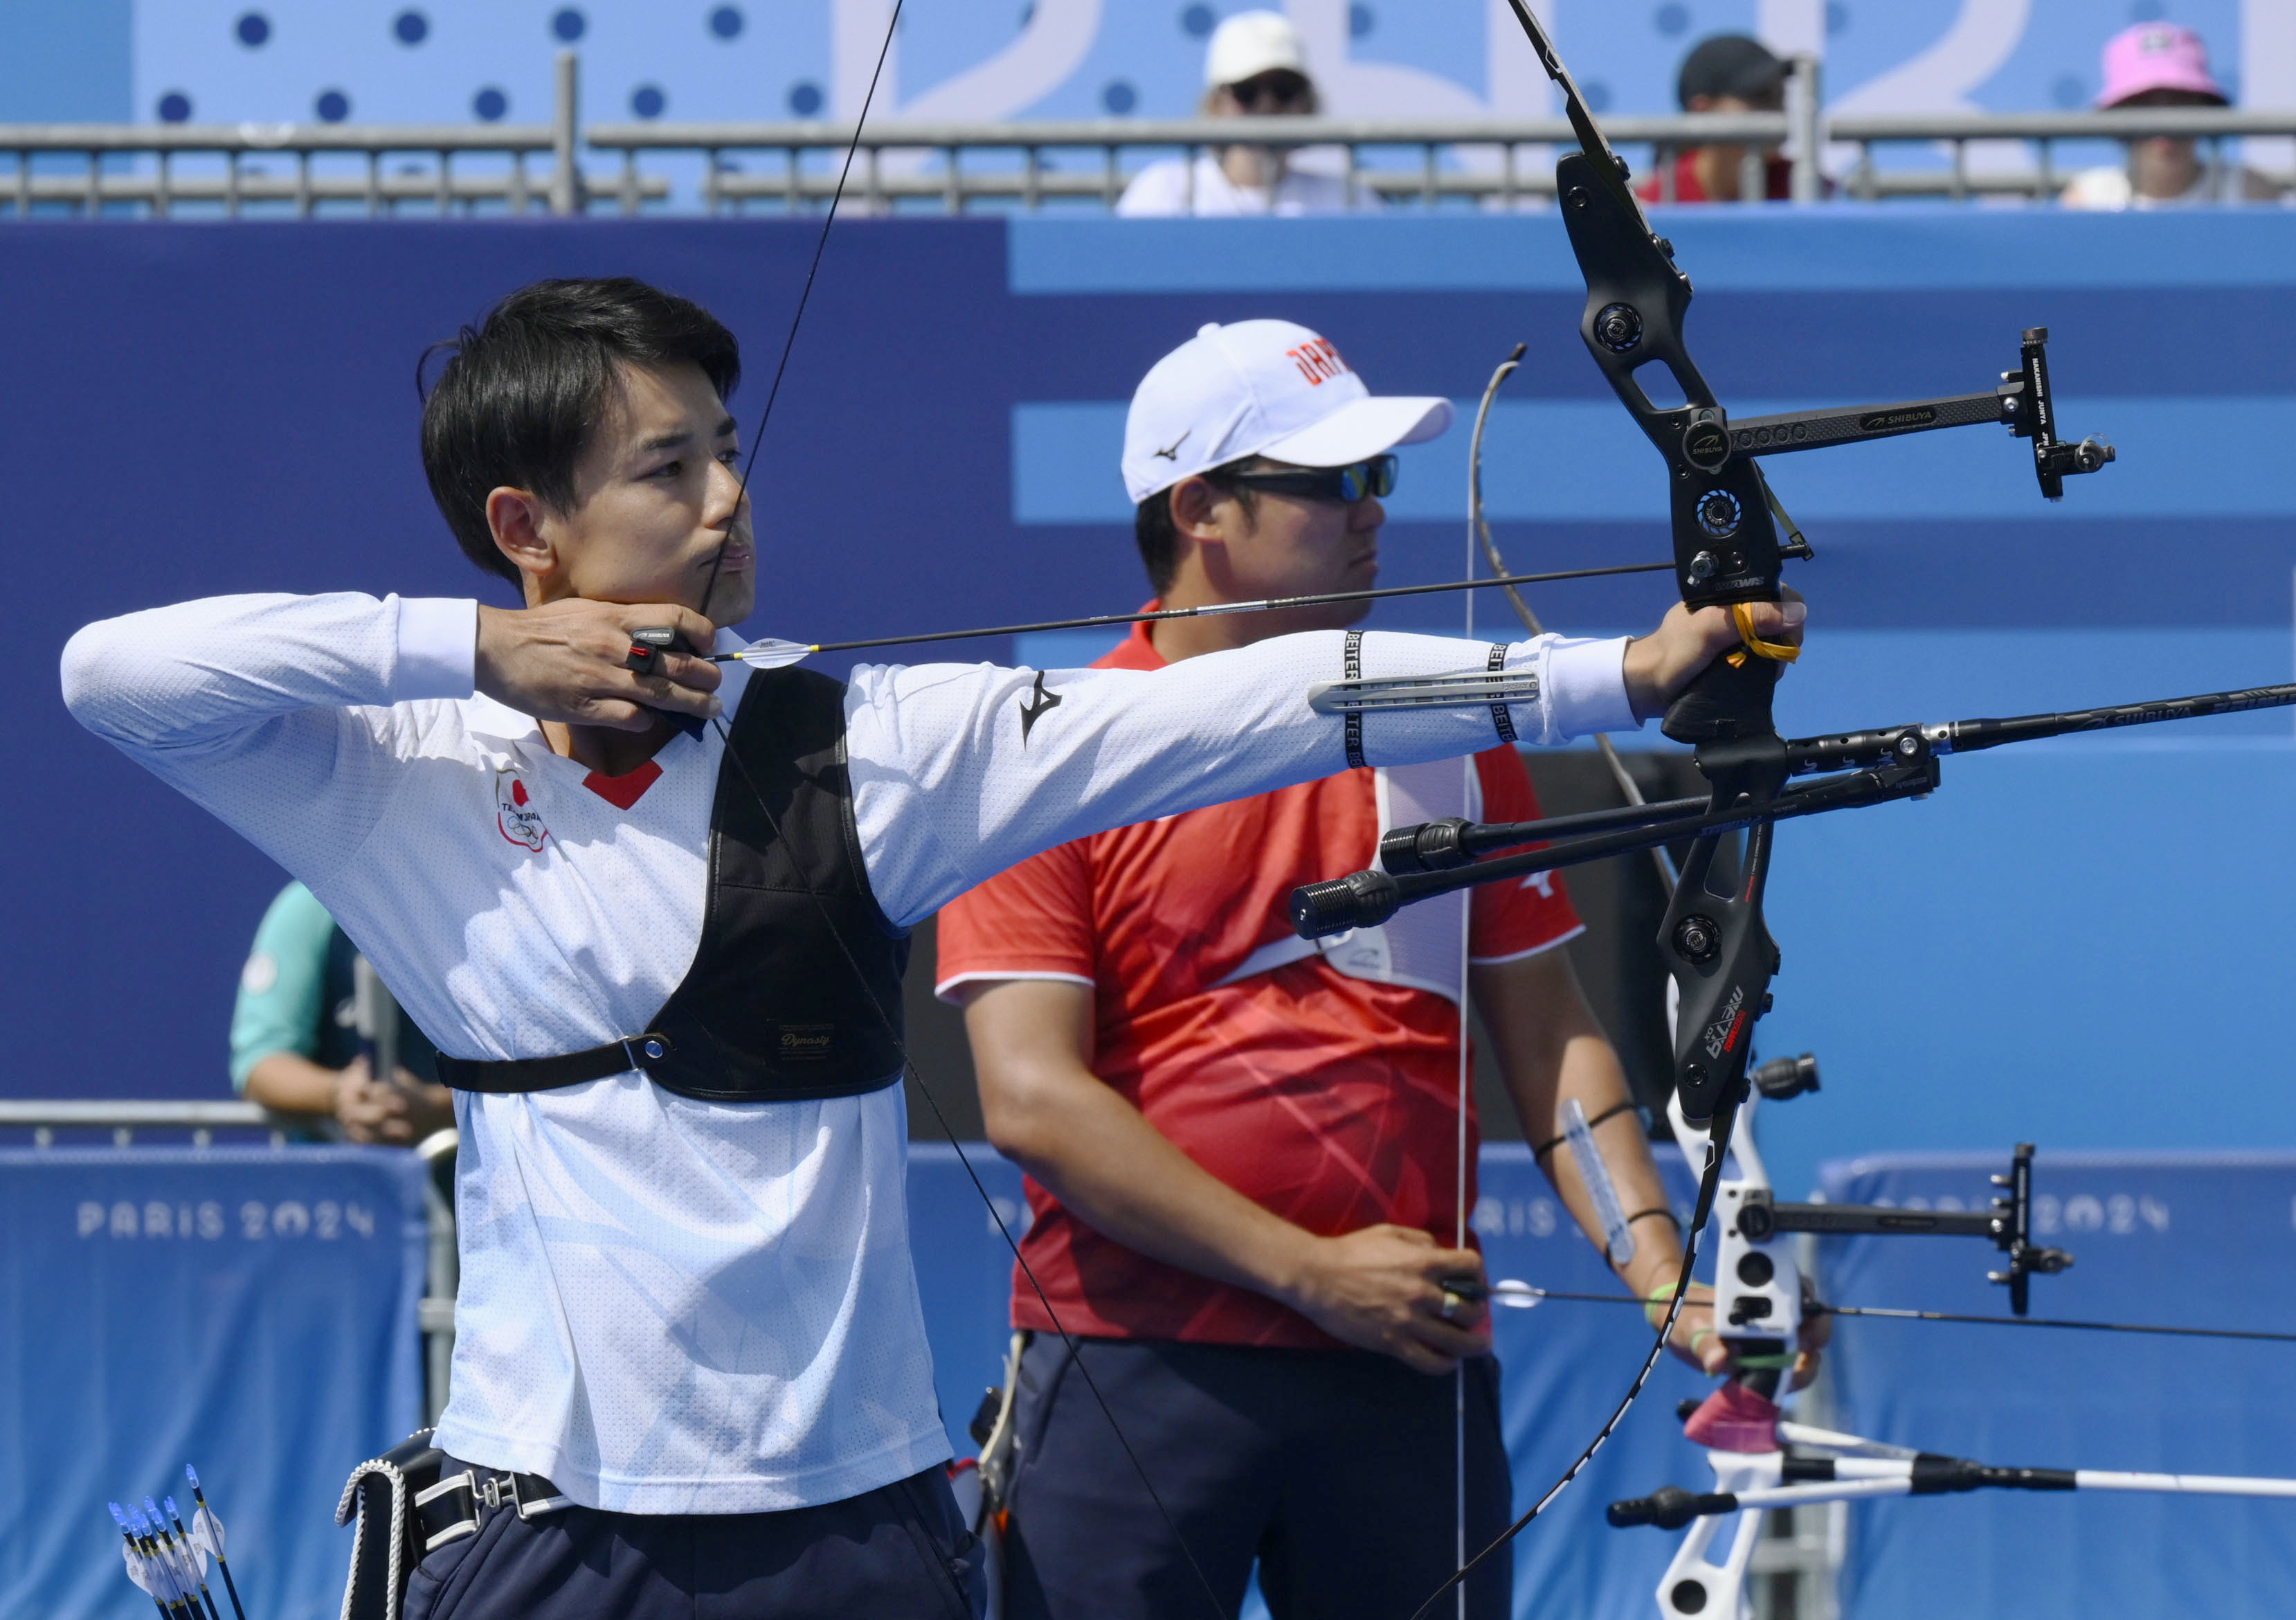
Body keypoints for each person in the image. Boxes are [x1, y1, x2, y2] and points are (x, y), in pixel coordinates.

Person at [60, 277, 1789, 1620]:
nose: (730, 494)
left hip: (859, 1513)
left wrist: (1615, 679)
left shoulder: (866, 733)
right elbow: (111, 671)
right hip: (553, 1511)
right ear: (529, 528)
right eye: (670, 467)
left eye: (729, 447)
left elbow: (1250, 700)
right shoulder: (397, 771)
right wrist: (474, 655)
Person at [934, 318, 1814, 1620]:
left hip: (1410, 1360)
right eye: (1333, 483)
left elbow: (1549, 1034)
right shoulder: (1049, 751)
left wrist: (1659, 1271)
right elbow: (1030, 1101)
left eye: (1382, 481)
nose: (1371, 514)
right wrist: (1310, 1272)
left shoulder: (1451, 733)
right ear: (1200, 511)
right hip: (1136, 1363)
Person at [233, 879, 453, 1143]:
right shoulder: (308, 908)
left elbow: (515, 1072)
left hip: (478, 1178)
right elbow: (260, 1064)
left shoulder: (488, 903)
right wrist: (339, 1093)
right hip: (332, 1179)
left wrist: (437, 1107)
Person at [1117, 10, 1371, 217]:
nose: (1267, 105)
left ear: (1306, 102)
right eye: (1246, 91)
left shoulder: (1348, 200)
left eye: (1284, 90)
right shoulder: (1165, 192)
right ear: (1216, 103)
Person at [2061, 24, 2279, 210]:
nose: (2164, 122)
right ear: (2118, 113)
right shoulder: (2088, 200)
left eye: (2180, 100)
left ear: (2205, 107)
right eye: (2144, 103)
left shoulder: (2249, 193)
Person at [1638, 33, 1793, 205]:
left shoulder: (1811, 191)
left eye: (1780, 96)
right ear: (1702, 109)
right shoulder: (1656, 202)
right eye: (1760, 95)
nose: (1778, 110)